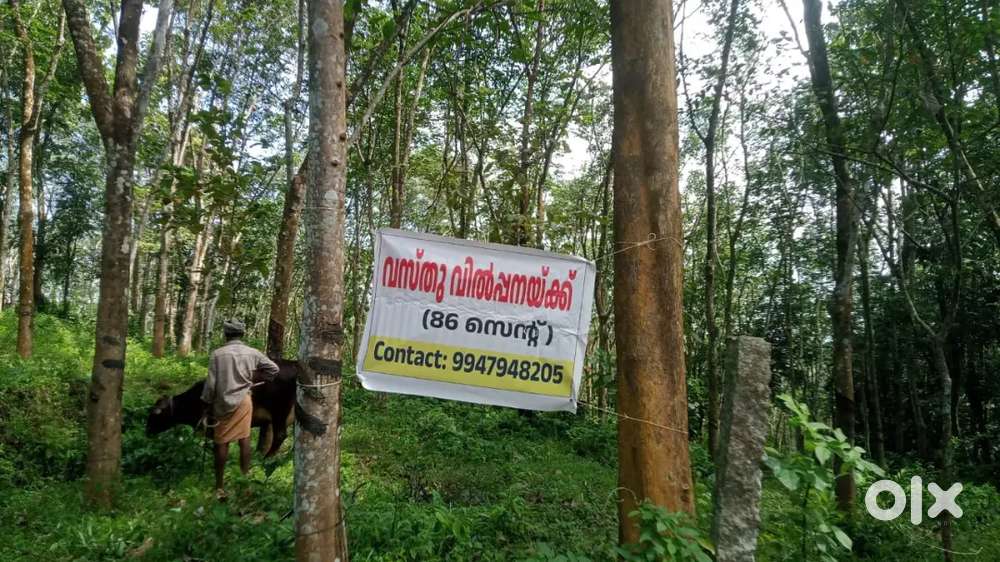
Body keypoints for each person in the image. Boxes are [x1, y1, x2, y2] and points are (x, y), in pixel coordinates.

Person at [201, 319, 279, 497]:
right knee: (244, 440)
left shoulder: (217, 354)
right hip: (244, 401)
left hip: (222, 402)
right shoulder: (251, 352)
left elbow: (211, 385)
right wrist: (256, 379)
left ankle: (219, 487)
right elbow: (273, 369)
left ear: (226, 334)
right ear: (242, 334)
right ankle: (245, 482)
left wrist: (206, 403)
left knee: (221, 442)